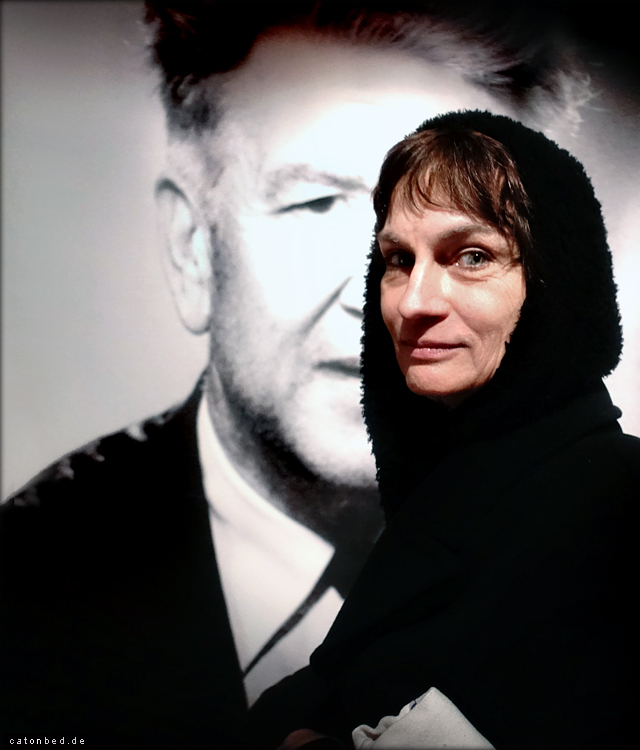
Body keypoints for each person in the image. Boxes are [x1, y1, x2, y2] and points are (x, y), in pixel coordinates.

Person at [0, 4, 588, 746]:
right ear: (192, 249)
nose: (399, 299)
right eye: (318, 204)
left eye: (469, 232)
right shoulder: (18, 601)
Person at [245, 111, 640, 750]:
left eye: (472, 256)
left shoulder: (621, 497)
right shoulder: (449, 490)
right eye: (399, 260)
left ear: (552, 286)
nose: (413, 302)